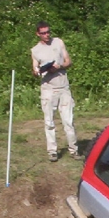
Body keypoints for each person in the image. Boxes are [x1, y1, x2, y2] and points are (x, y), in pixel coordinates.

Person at [31, 21, 79, 162]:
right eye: (43, 33)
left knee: (68, 121)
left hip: (63, 87)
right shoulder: (35, 50)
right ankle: (52, 151)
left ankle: (74, 149)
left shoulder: (58, 42)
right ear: (38, 34)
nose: (47, 35)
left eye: (48, 32)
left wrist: (59, 66)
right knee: (49, 122)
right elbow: (34, 69)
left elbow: (68, 61)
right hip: (48, 89)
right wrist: (37, 71)